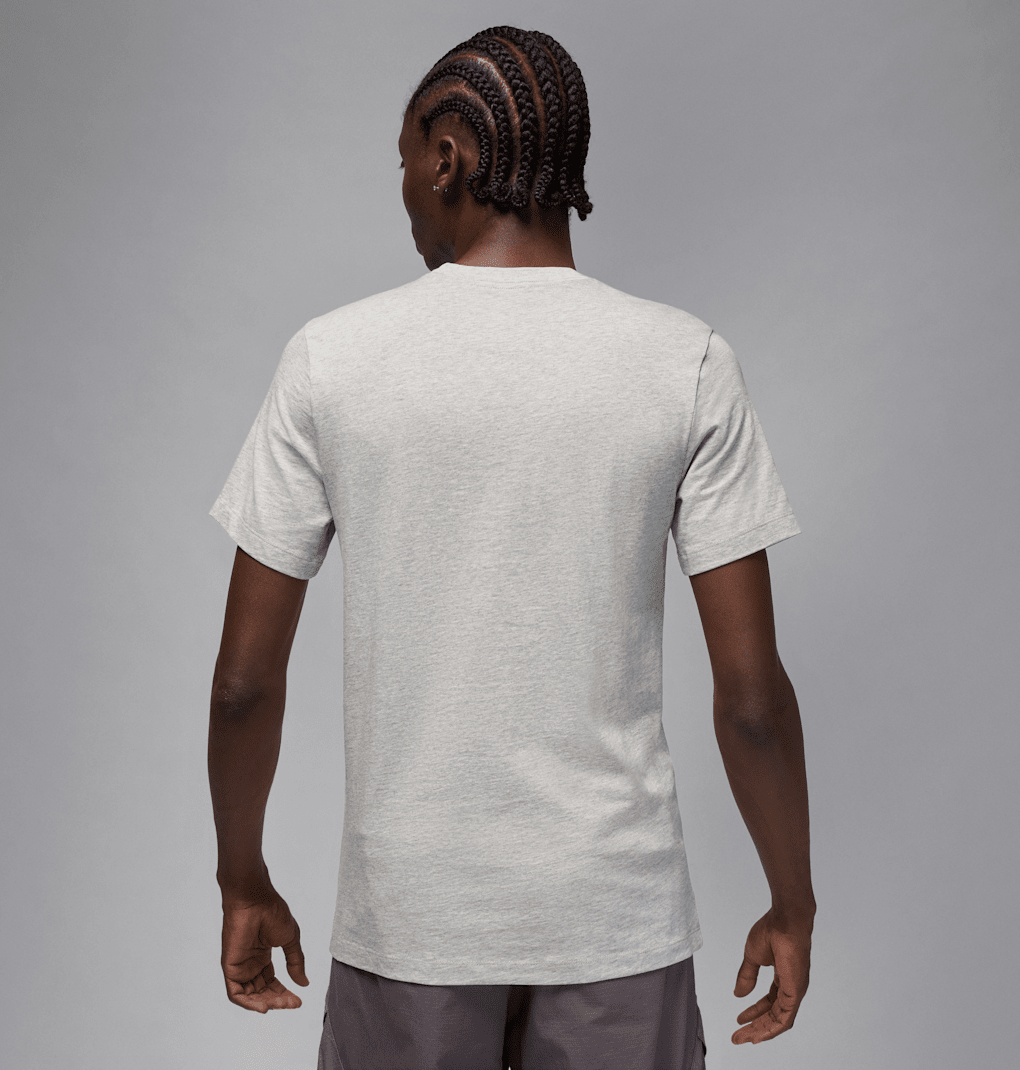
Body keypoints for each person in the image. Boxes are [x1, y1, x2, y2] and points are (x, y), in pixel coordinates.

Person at [207, 24, 815, 1070]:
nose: (403, 189)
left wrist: (242, 876)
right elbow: (751, 698)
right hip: (616, 923)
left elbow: (243, 687)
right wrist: (791, 899)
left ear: (446, 158)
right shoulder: (686, 362)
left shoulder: (330, 361)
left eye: (404, 160)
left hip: (411, 923)